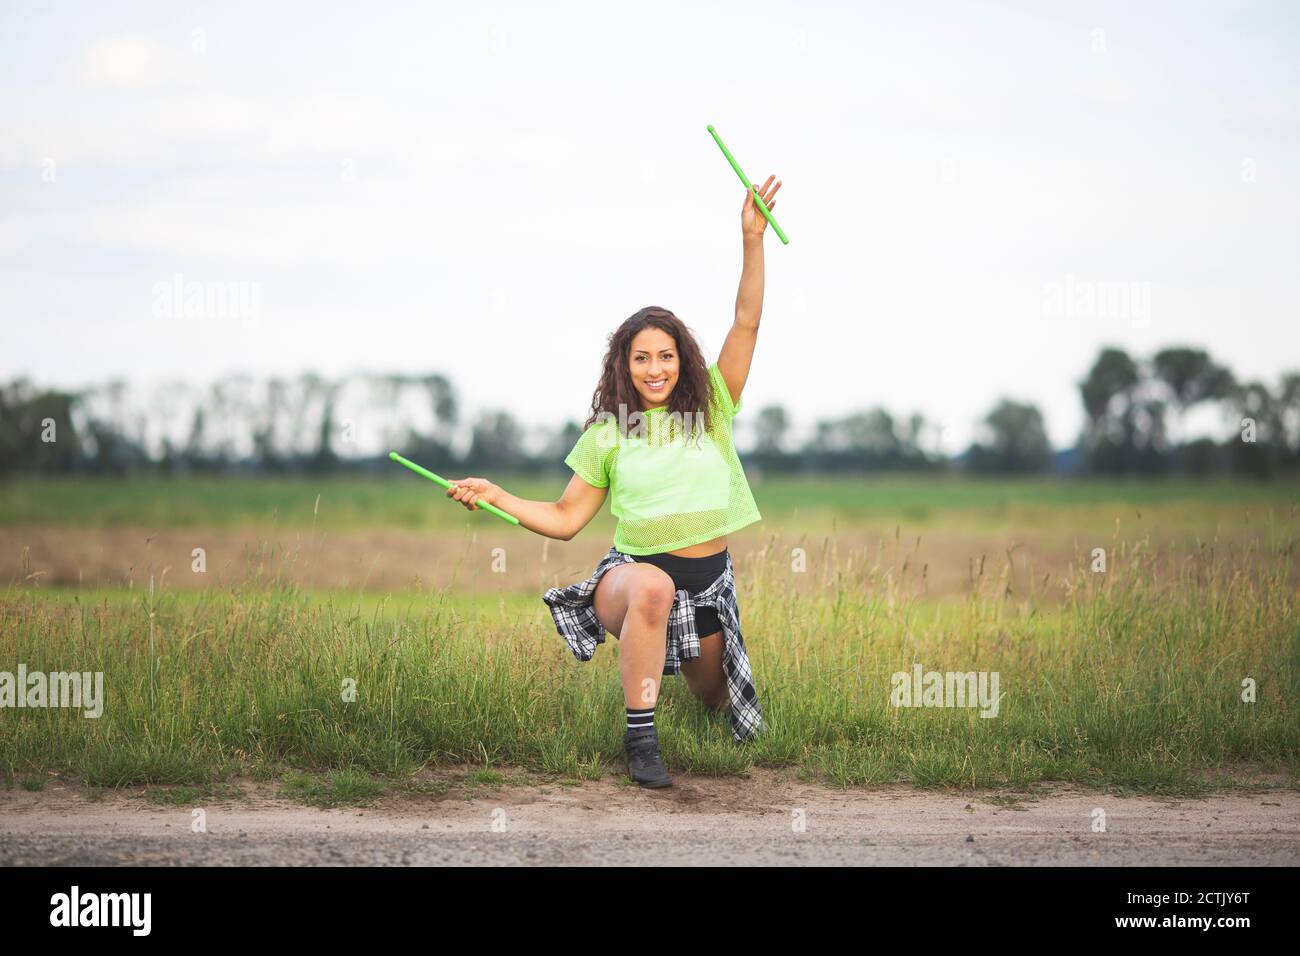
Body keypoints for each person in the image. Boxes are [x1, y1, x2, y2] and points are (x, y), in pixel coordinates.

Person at [444, 175, 782, 787]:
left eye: (666, 355)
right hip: (630, 579)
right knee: (653, 586)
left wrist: (751, 239)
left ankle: (680, 693)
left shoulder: (714, 407)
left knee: (716, 709)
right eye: (641, 357)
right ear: (623, 365)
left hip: (709, 588)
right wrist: (496, 495)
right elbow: (567, 520)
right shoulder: (610, 430)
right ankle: (641, 741)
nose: (655, 368)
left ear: (684, 360)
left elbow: (746, 322)